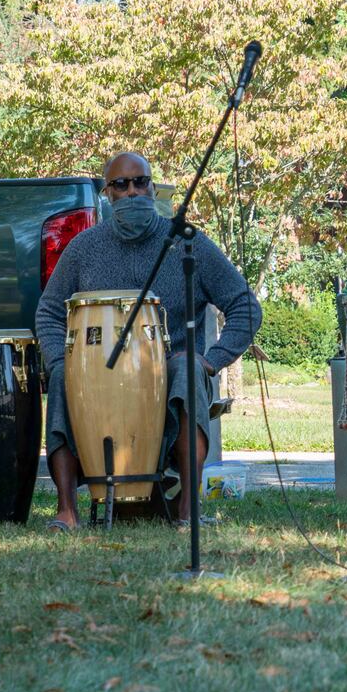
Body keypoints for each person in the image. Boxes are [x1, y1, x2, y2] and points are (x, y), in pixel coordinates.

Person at [35, 152, 262, 530]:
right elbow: (49, 312)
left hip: (166, 369)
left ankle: (189, 511)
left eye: (141, 182)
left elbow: (245, 306)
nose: (132, 191)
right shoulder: (82, 248)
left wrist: (213, 360)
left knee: (188, 369)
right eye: (121, 185)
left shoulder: (189, 244)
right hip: (97, 371)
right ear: (107, 193)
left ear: (153, 187)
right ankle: (66, 511)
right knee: (61, 377)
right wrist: (60, 360)